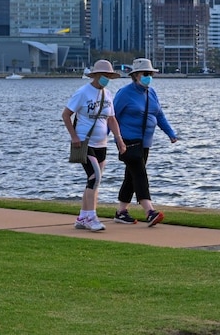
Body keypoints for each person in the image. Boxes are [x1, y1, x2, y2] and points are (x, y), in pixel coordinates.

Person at [113, 57, 178, 227]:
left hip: (145, 143)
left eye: (150, 73)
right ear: (135, 75)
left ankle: (121, 212)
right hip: (127, 141)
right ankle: (149, 211)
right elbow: (112, 117)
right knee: (140, 174)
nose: (148, 76)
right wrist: (110, 139)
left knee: (131, 176)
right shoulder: (124, 93)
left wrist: (170, 133)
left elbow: (159, 115)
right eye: (145, 73)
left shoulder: (151, 93)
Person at [62, 59, 126, 232]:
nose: (106, 78)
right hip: (84, 141)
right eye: (104, 75)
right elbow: (66, 115)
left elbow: (111, 118)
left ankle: (83, 216)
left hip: (101, 143)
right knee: (94, 178)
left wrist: (119, 139)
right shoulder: (83, 92)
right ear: (96, 75)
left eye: (109, 76)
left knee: (94, 181)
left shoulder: (108, 94)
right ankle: (91, 216)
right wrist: (74, 136)